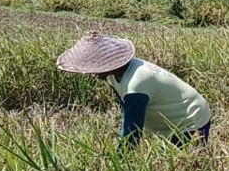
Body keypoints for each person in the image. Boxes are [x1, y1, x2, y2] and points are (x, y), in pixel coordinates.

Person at [55, 33, 211, 146]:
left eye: (96, 68)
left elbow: (133, 133)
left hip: (190, 118)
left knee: (185, 167)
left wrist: (119, 163)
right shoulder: (113, 74)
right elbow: (127, 112)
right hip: (171, 120)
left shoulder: (136, 85)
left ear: (110, 64)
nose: (93, 73)